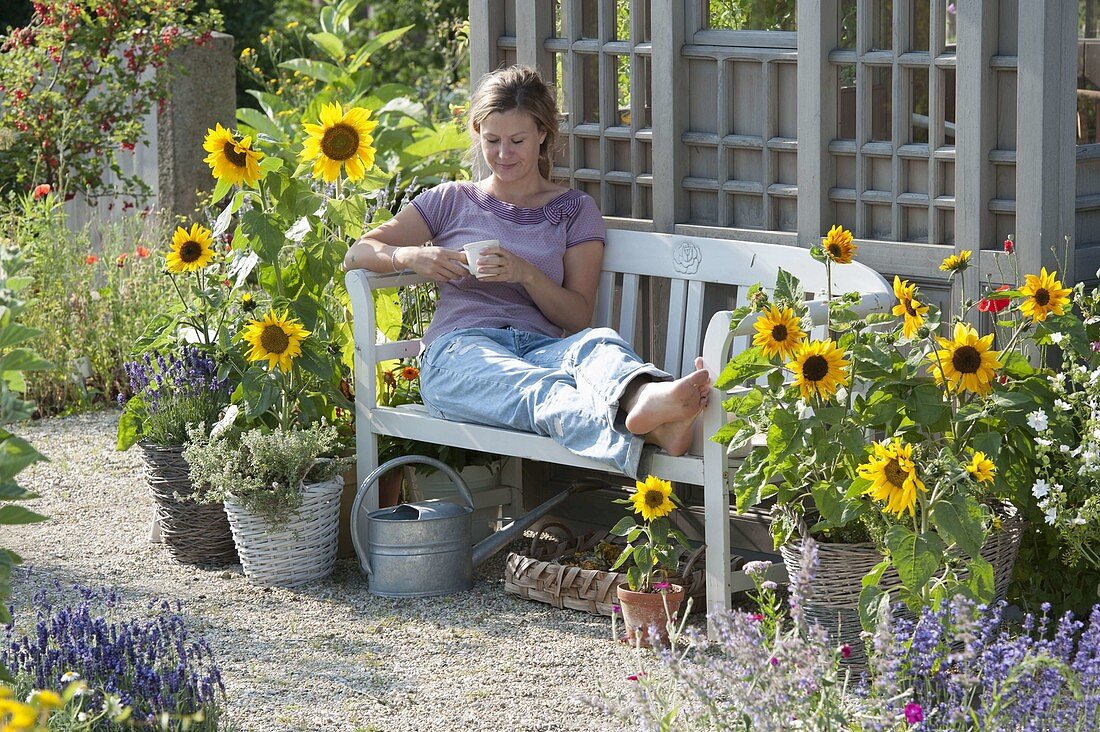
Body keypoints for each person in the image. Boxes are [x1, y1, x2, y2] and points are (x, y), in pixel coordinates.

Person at [343, 65, 710, 479]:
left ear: (542, 134)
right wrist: (411, 257)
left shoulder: (573, 210)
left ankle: (648, 397)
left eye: (517, 140)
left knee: (597, 344)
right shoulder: (452, 200)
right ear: (477, 132)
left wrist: (526, 273)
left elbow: (576, 317)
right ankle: (652, 432)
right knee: (542, 390)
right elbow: (358, 252)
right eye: (492, 140)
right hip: (460, 355)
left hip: (541, 350)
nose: (503, 154)